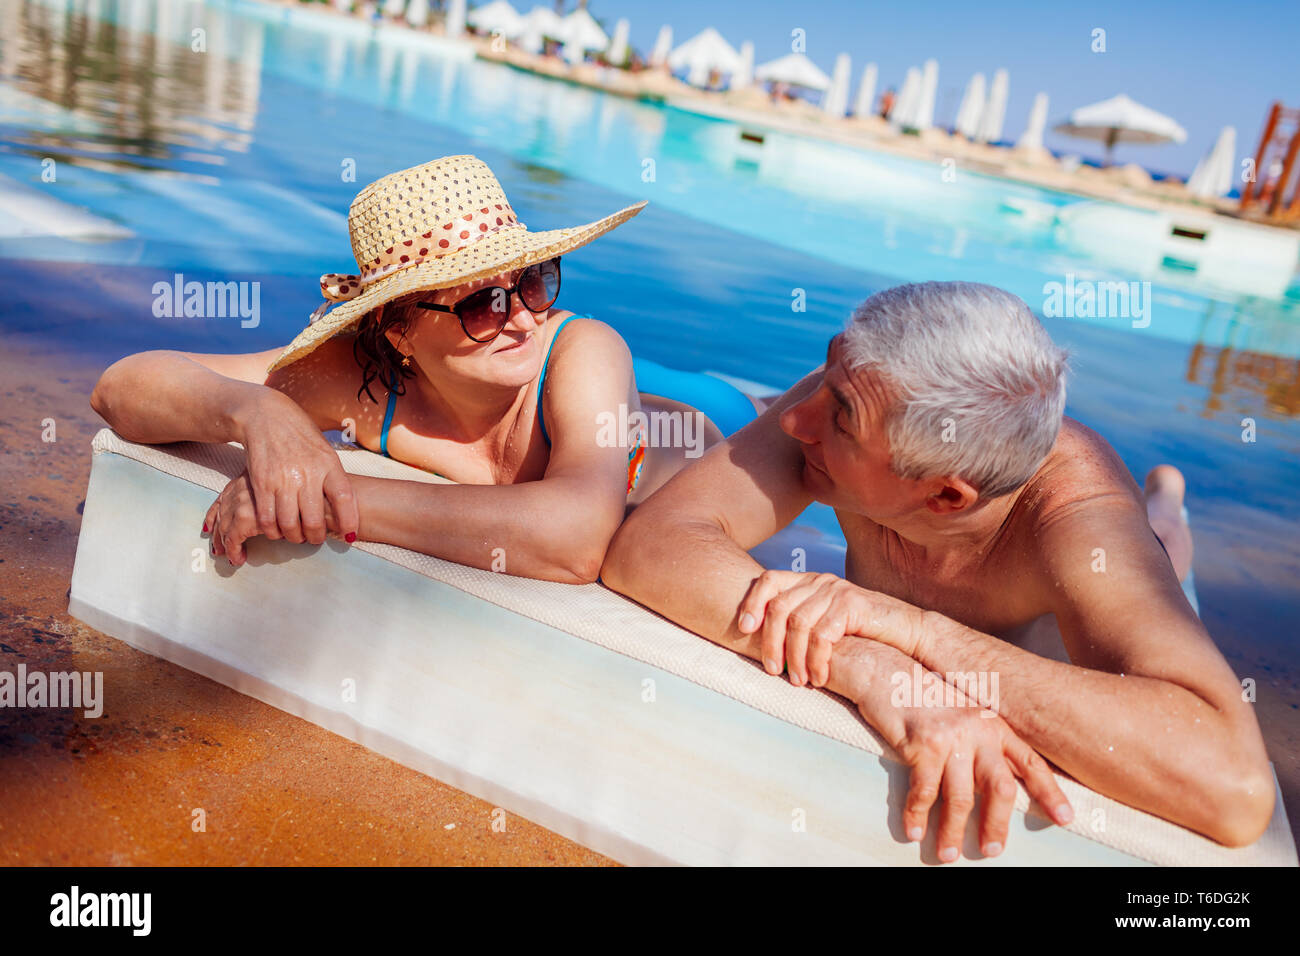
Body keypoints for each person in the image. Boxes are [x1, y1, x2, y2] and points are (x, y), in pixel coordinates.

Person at [601, 281, 1274, 860]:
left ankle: (1167, 498)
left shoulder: (1075, 520)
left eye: (840, 419)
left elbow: (1235, 788)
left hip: (1125, 552)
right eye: (825, 379)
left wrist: (917, 631)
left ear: (946, 496)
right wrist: (875, 665)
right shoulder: (855, 394)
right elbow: (653, 544)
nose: (796, 418)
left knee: (1163, 549)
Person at [91, 155, 756, 583]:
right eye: (481, 303)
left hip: (701, 434)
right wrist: (257, 412)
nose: (522, 316)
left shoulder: (583, 349)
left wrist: (336, 501)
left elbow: (576, 540)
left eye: (532, 282)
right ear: (401, 331)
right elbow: (121, 388)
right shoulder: (356, 380)